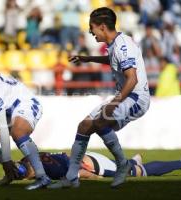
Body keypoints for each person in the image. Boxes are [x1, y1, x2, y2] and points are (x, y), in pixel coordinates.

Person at [49, 7, 150, 189]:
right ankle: (71, 177)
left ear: (102, 27)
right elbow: (112, 59)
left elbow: (132, 79)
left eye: (92, 27)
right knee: (85, 125)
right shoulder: (115, 44)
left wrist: (115, 102)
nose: (90, 31)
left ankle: (123, 164)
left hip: (136, 97)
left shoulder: (123, 46)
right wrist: (88, 59)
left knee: (101, 122)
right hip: (126, 95)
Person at [3, 151, 181, 182]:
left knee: (139, 174)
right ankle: (133, 161)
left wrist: (96, 178)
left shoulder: (48, 171)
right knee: (131, 167)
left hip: (94, 166)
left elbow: (79, 173)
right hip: (89, 156)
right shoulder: (30, 157)